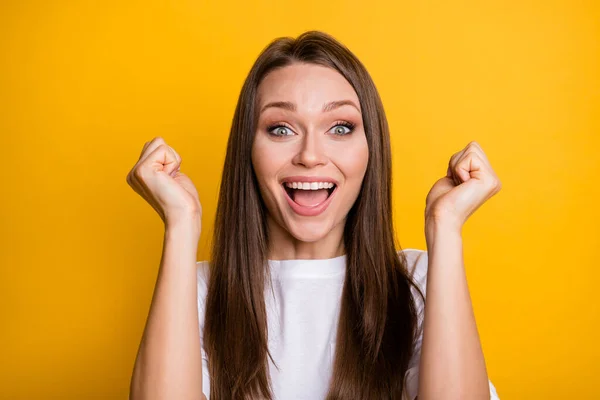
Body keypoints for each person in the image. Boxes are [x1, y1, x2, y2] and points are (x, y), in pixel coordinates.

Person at [127, 30, 502, 400]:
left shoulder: (417, 284)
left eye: (340, 127)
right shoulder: (198, 292)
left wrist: (446, 227)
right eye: (281, 129)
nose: (309, 155)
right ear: (249, 153)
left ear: (371, 150)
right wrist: (180, 223)